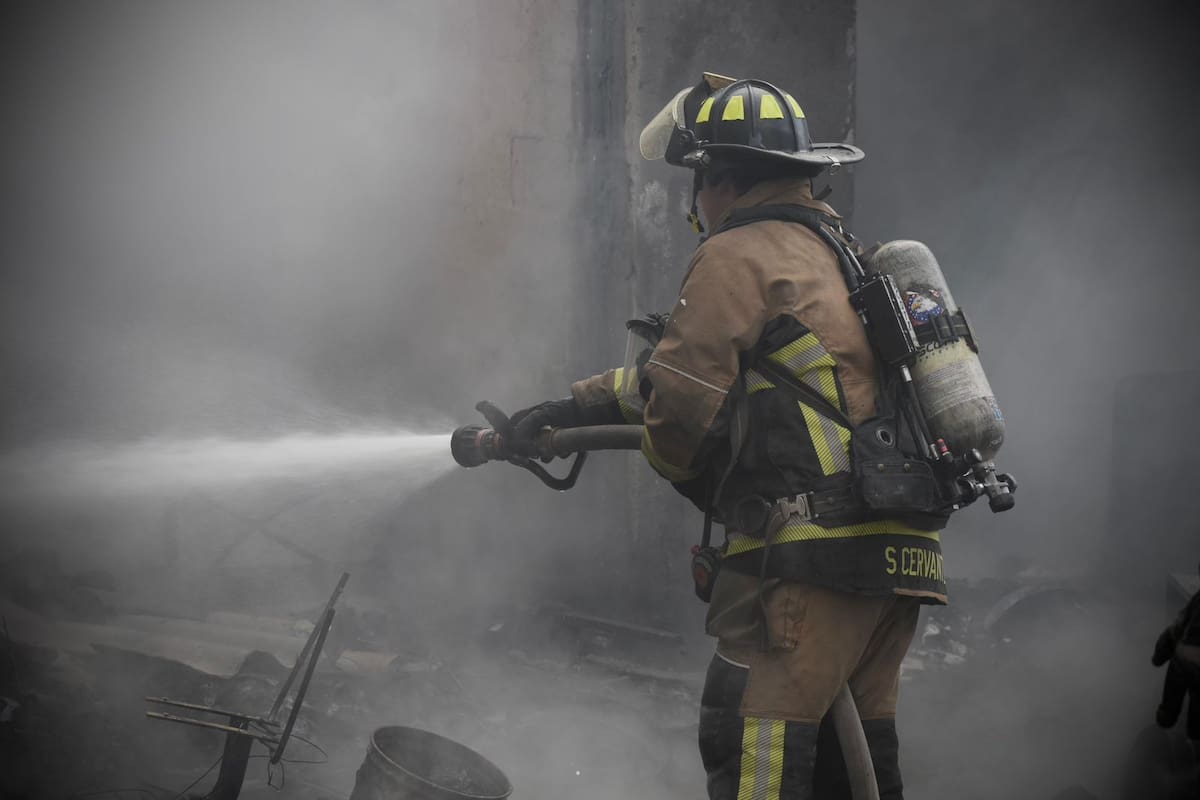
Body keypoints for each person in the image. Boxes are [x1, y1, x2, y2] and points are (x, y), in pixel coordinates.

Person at [508, 74, 948, 800]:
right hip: (898, 556)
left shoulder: (738, 253)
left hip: (808, 562)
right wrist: (571, 407)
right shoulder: (839, 253)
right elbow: (714, 378)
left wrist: (679, 467)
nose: (698, 205)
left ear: (719, 178)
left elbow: (680, 410)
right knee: (857, 764)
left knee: (753, 742)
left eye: (698, 183)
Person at [1152, 561, 1200, 759]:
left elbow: (1174, 630)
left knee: (1175, 697)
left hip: (1183, 662)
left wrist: (1160, 655)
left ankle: (1169, 718)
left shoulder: (1197, 600)